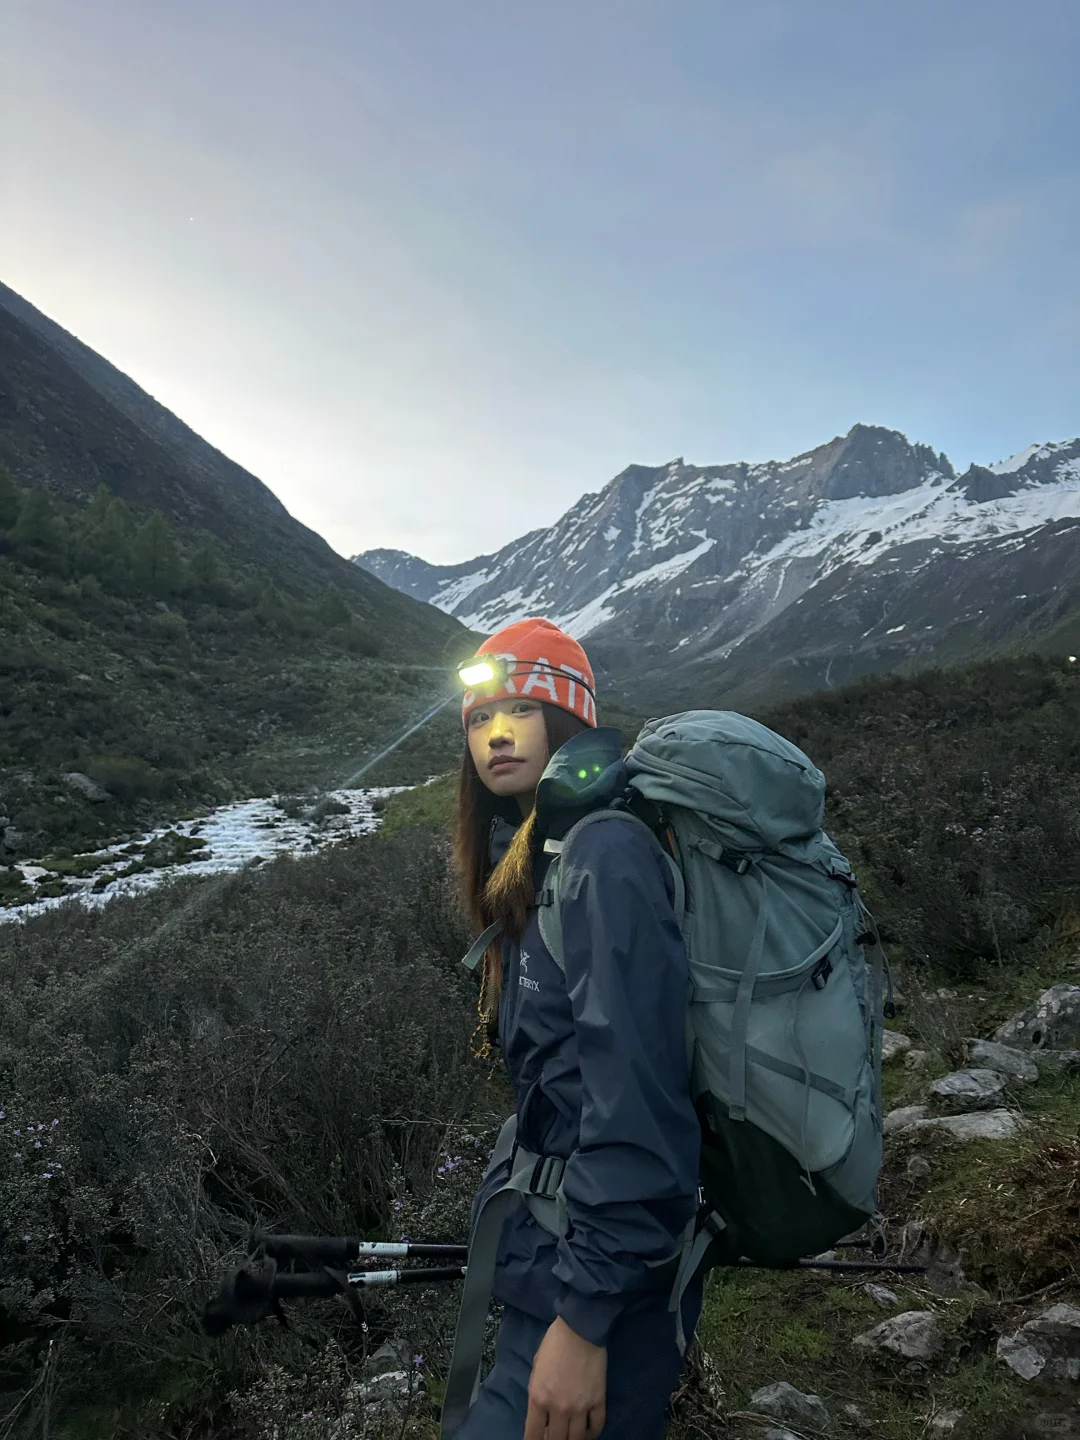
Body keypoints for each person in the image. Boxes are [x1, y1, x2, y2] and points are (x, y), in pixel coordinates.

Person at [450, 617, 704, 1440]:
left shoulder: (603, 855)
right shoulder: (542, 857)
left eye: (519, 711)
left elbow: (638, 1099)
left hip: (604, 1288)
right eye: (479, 721)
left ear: (567, 719)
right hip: (558, 1261)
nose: (495, 735)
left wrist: (584, 1322)